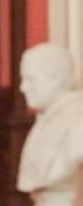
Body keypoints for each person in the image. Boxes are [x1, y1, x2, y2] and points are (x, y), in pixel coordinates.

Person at [17, 42, 83, 192]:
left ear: (57, 79)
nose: (23, 87)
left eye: (31, 79)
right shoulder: (44, 121)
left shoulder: (79, 121)